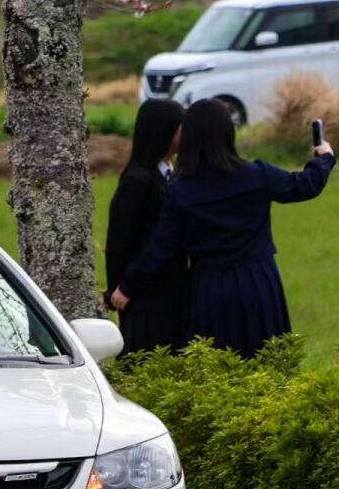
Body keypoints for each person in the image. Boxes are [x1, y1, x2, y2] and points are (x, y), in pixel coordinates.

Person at [110, 98, 333, 359]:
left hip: (209, 288)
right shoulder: (257, 174)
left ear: (189, 137)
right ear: (229, 132)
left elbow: (161, 246)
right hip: (258, 281)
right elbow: (304, 185)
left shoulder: (181, 190)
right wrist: (324, 158)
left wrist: (127, 286)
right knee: (266, 359)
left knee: (218, 366)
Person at [104, 99, 189, 353]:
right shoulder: (138, 181)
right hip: (145, 298)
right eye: (181, 127)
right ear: (165, 131)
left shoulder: (171, 175)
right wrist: (118, 288)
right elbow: (119, 240)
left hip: (171, 292)